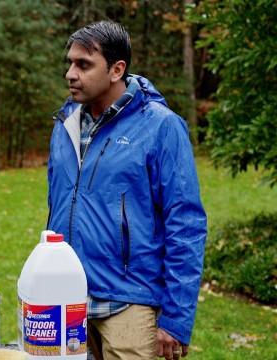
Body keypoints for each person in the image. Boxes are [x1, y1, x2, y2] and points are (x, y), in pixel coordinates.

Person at [47, 21, 207, 360]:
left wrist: (176, 318)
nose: (70, 74)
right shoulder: (65, 126)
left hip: (129, 302)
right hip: (65, 298)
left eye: (84, 65)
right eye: (70, 63)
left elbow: (186, 225)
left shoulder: (162, 127)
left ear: (117, 69)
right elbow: (58, 206)